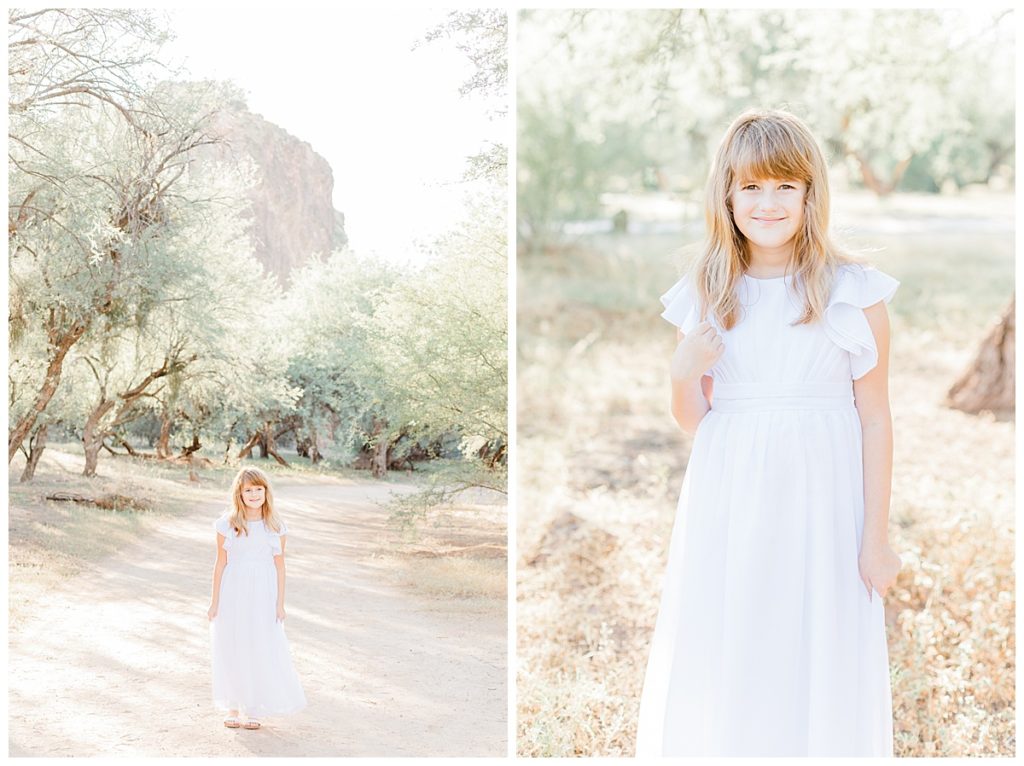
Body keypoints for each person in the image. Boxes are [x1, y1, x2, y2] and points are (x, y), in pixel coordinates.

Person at [635, 108, 902, 756]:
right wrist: (680, 375)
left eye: (785, 185)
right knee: (738, 640)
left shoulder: (853, 291)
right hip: (732, 499)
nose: (768, 202)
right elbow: (697, 420)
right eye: (751, 186)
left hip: (825, 500)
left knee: (819, 641)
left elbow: (874, 416)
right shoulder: (705, 291)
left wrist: (875, 536)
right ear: (726, 195)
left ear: (811, 192)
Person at [208, 467, 307, 729]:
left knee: (258, 644)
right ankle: (232, 705)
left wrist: (280, 603)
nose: (254, 494)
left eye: (258, 489)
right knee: (232, 642)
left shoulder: (275, 526)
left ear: (266, 492)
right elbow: (220, 564)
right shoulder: (227, 525)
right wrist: (215, 601)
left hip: (263, 592)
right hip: (233, 590)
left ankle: (253, 707)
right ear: (239, 494)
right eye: (248, 490)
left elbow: (280, 567)